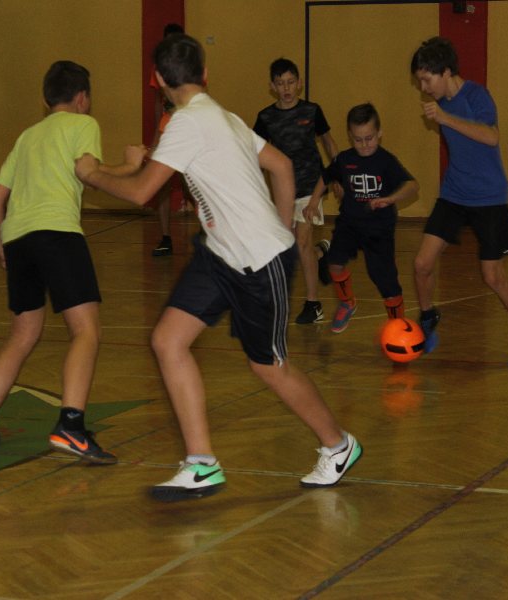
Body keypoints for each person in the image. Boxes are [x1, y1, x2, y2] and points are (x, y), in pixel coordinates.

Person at [75, 34, 362, 501]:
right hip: (220, 253)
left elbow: (142, 192)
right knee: (168, 340)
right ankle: (202, 464)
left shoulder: (187, 123)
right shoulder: (223, 116)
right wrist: (283, 224)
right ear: (205, 74)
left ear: (157, 80)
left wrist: (92, 174)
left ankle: (338, 444)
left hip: (257, 259)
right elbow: (282, 166)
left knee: (269, 367)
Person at [0, 61, 125, 464]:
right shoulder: (83, 124)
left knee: (21, 336)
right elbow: (90, 173)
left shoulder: (27, 136)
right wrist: (134, 166)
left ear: (45, 98)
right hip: (58, 234)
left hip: (18, 239)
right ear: (82, 98)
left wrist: (3, 245)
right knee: (86, 331)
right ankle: (71, 425)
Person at [410, 37, 508, 368]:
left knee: (492, 276)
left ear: (445, 72)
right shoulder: (440, 103)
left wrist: (445, 118)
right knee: (422, 264)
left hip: (489, 197)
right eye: (420, 81)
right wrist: (442, 115)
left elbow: (491, 136)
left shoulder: (476, 96)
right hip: (454, 193)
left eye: (426, 80)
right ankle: (428, 317)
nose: (424, 88)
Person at [304, 103, 419, 334]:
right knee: (334, 263)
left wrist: (390, 199)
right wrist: (314, 201)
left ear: (379, 133)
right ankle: (347, 302)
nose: (364, 145)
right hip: (349, 224)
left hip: (379, 229)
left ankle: (398, 326)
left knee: (385, 280)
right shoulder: (345, 159)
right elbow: (326, 176)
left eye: (369, 138)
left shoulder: (386, 161)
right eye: (358, 140)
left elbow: (412, 186)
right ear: (350, 136)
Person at [253, 58, 338, 324]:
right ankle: (322, 254)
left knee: (301, 242)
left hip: (311, 186)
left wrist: (339, 175)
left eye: (291, 82)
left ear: (299, 83)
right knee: (291, 245)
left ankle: (313, 304)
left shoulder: (312, 111)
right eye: (280, 84)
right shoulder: (265, 118)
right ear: (272, 86)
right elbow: (254, 154)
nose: (286, 88)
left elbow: (329, 143)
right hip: (283, 191)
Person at [149, 22, 186, 257]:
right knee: (161, 182)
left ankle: (208, 233)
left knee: (191, 182)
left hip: (186, 127)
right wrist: (156, 136)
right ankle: (165, 237)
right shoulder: (158, 69)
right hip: (167, 127)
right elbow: (158, 102)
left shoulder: (191, 67)